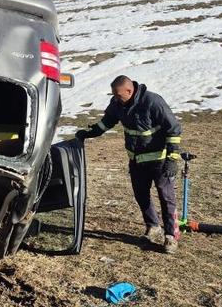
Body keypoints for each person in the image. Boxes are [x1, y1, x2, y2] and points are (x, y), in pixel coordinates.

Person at [76, 76, 184, 254]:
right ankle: (153, 226)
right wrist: (90, 132)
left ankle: (171, 236)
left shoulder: (153, 101)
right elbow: (107, 121)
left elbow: (173, 128)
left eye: (118, 95)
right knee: (141, 195)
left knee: (166, 198)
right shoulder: (117, 103)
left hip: (159, 160)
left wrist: (172, 159)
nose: (115, 98)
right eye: (114, 95)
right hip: (136, 161)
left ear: (129, 90)